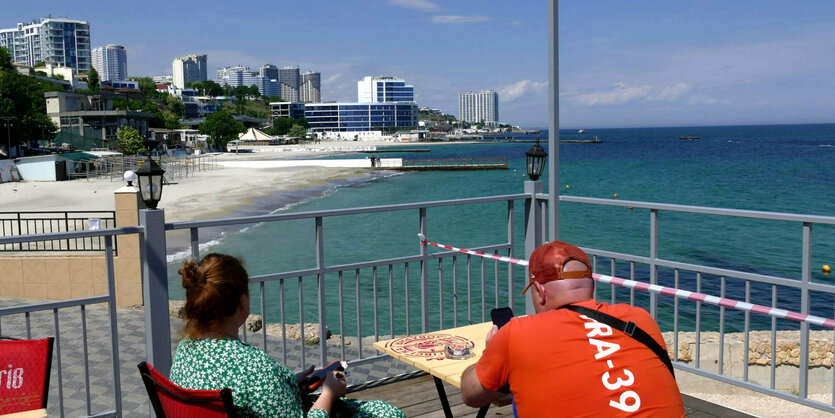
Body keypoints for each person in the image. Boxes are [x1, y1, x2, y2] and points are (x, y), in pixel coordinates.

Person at [461, 241, 684, 417]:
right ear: (591, 285)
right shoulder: (639, 318)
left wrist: (489, 352)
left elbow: (470, 394)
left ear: (540, 291)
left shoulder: (517, 332)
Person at [169, 253, 404, 418]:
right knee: (388, 413)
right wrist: (330, 394)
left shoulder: (186, 349)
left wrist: (288, 382)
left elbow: (247, 395)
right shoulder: (253, 367)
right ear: (242, 301)